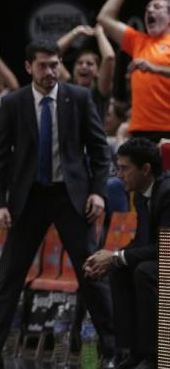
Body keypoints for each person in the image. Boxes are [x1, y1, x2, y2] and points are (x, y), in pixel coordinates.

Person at [0, 39, 115, 369]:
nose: (50, 72)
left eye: (54, 65)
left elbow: (99, 149)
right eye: (42, 66)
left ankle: (113, 349)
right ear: (28, 67)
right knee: (9, 276)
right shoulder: (14, 102)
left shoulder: (78, 97)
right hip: (28, 197)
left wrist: (98, 192)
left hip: (70, 196)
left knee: (91, 271)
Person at [84, 138, 168, 369]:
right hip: (163, 259)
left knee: (144, 271)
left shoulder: (167, 193)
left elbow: (165, 248)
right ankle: (132, 352)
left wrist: (115, 256)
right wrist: (112, 258)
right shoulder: (141, 194)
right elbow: (142, 241)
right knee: (121, 270)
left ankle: (156, 356)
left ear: (146, 169)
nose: (119, 175)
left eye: (124, 168)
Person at [97, 0, 170, 142]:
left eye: (157, 7)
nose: (150, 10)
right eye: (147, 9)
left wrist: (154, 68)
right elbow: (104, 18)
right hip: (139, 130)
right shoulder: (138, 41)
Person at [56, 24, 115, 122]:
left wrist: (99, 33)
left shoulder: (100, 91)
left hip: (93, 137)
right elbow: (52, 53)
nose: (84, 66)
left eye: (90, 64)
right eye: (80, 63)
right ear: (74, 69)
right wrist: (76, 32)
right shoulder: (68, 84)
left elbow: (109, 58)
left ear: (98, 72)